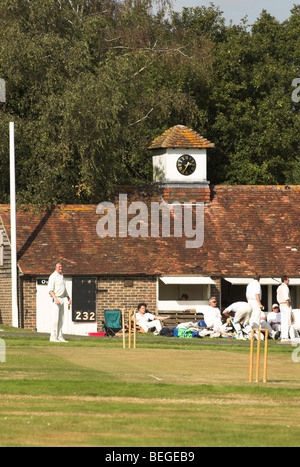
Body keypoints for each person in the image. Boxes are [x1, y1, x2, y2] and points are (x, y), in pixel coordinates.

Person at [48, 261, 72, 343]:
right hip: (56, 299)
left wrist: (68, 297)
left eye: (61, 267)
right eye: (59, 267)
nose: (61, 268)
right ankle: (53, 337)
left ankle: (60, 336)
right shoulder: (53, 276)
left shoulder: (62, 276)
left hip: (62, 299)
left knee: (61, 319)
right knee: (55, 319)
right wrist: (55, 298)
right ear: (55, 268)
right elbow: (50, 290)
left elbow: (64, 289)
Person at [277, 275, 292, 342]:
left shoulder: (279, 287)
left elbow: (277, 298)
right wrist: (288, 306)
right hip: (285, 305)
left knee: (283, 321)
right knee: (287, 321)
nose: (289, 281)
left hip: (281, 304)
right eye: (288, 280)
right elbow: (286, 297)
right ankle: (286, 336)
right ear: (285, 280)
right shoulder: (285, 287)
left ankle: (283, 336)